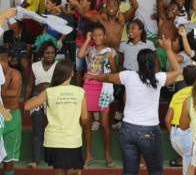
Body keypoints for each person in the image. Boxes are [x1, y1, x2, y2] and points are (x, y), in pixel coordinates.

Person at [84, 36, 180, 175]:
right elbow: (177, 72)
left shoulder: (128, 76)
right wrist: (168, 50)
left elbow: (106, 77)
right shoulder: (158, 78)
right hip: (150, 130)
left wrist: (92, 76)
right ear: (153, 63)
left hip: (128, 128)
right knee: (155, 171)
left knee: (129, 172)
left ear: (138, 62)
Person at [24, 60, 88, 175]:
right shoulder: (80, 92)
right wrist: (79, 125)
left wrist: (41, 96)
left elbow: (27, 106)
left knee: (58, 172)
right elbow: (84, 118)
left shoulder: (49, 92)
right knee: (74, 172)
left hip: (53, 141)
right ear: (71, 74)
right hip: (72, 140)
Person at [77, 23, 116, 168]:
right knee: (87, 122)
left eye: (100, 35)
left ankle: (107, 153)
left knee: (104, 124)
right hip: (88, 87)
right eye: (94, 35)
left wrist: (111, 59)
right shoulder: (89, 49)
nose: (97, 37)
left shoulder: (111, 50)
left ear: (105, 36)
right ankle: (88, 154)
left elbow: (114, 71)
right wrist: (87, 40)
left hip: (103, 87)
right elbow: (79, 55)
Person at [24, 41, 58, 169]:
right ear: (42, 53)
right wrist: (27, 102)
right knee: (37, 131)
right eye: (47, 53)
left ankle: (54, 157)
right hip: (37, 98)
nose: (50, 55)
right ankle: (36, 158)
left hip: (54, 99)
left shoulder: (58, 65)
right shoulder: (35, 66)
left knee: (54, 129)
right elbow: (29, 85)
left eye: (52, 53)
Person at [165, 65, 196, 175]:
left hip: (175, 136)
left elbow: (167, 119)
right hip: (189, 135)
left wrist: (174, 133)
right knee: (189, 171)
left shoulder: (177, 94)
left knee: (190, 167)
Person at [0, 46, 22, 175]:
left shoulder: (14, 73)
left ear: (4, 61)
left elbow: (13, 93)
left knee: (8, 158)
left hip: (11, 115)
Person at [3, 19, 32, 85]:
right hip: (11, 57)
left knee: (24, 61)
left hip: (23, 57)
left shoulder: (27, 34)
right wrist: (10, 59)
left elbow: (28, 53)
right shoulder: (7, 34)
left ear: (16, 23)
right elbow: (6, 51)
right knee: (4, 62)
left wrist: (18, 58)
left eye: (10, 21)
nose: (7, 23)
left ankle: (28, 86)